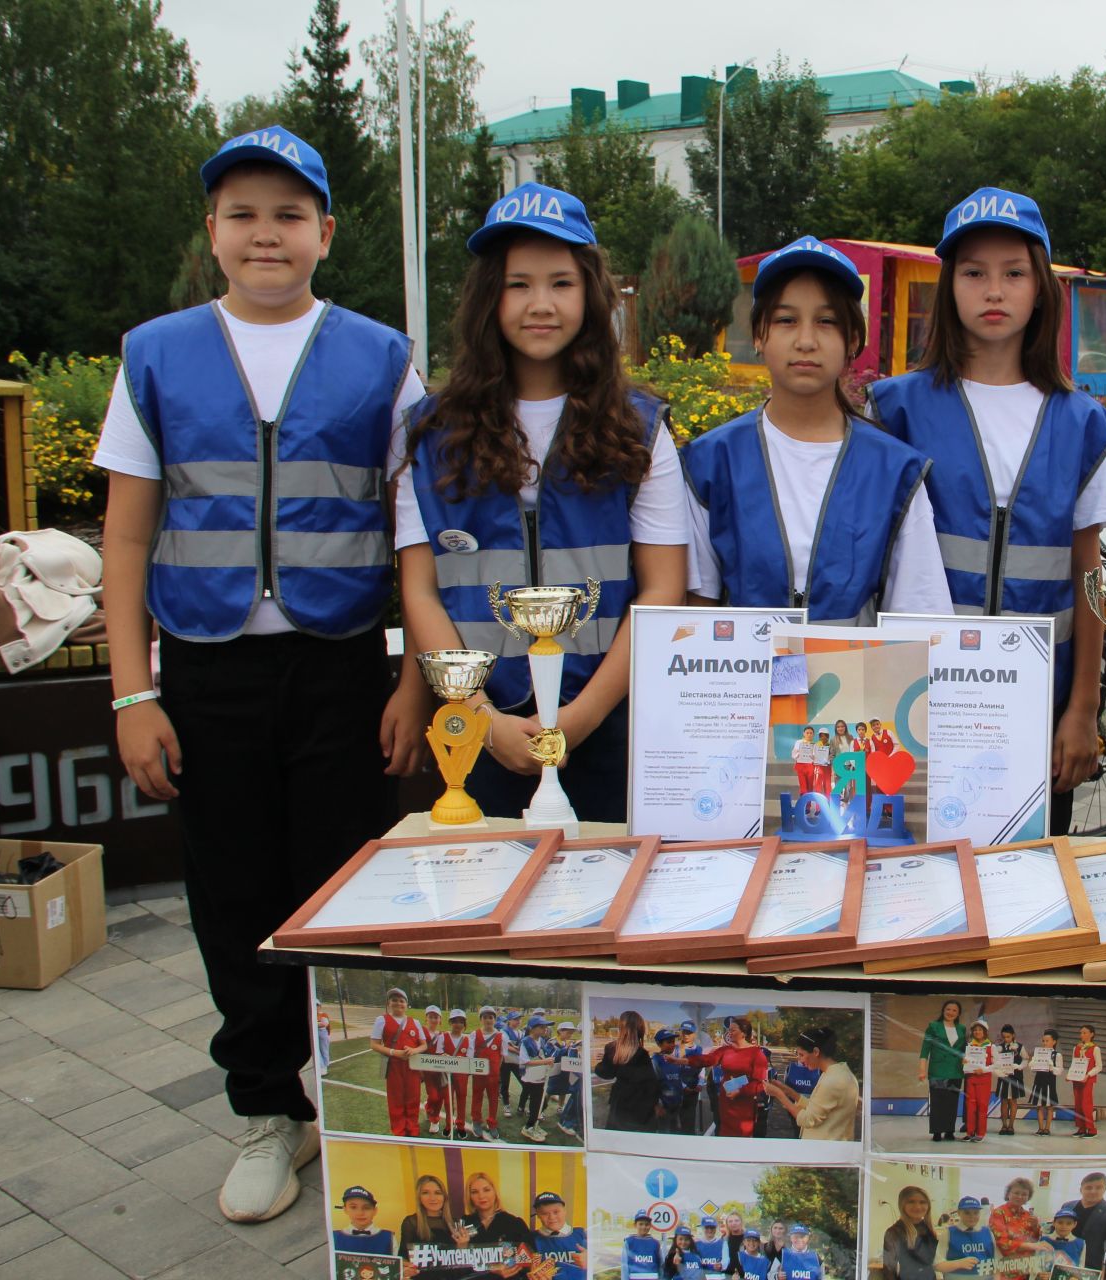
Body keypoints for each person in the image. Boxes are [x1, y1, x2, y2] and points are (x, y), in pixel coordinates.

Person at [98, 125, 427, 1223]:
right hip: (207, 668)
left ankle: (354, 1097)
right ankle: (262, 1108)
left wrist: (413, 683)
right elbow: (128, 541)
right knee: (232, 888)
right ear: (212, 231)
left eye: (289, 215)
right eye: (242, 214)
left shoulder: (382, 355)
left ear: (326, 233)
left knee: (342, 887)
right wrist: (132, 692)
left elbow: (414, 529)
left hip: (340, 666)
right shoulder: (154, 351)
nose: (266, 235)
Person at [397, 183, 689, 822]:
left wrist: (577, 720)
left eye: (561, 283)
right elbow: (420, 590)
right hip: (478, 728)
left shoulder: (638, 427)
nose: (540, 304)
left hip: (611, 722)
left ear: (590, 294)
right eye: (518, 284)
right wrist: (480, 716)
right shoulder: (431, 430)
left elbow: (663, 588)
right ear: (487, 299)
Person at [871, 187, 1106, 836]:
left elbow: (1090, 573)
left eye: (1014, 273)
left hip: (1037, 709)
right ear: (948, 285)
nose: (994, 290)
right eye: (974, 273)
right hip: (918, 701)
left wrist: (1084, 706)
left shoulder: (1081, 422)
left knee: (1027, 894)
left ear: (1041, 287)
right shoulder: (895, 409)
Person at [681, 235, 951, 623]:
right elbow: (695, 612)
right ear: (759, 335)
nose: (806, 341)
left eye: (826, 322)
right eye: (786, 320)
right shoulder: (710, 462)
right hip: (744, 682)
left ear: (853, 339)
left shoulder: (894, 471)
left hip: (859, 682)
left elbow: (921, 617)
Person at [763, 1027, 860, 1141]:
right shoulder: (836, 1073)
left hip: (824, 1152)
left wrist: (780, 1095)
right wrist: (789, 1091)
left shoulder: (833, 1081)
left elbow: (808, 1119)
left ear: (816, 1052)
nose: (800, 1060)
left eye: (801, 1055)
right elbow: (815, 1107)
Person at [693, 1016, 771, 1137]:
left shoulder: (757, 1054)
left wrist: (740, 1091)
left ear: (744, 1033)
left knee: (741, 1144)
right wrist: (684, 1060)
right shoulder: (725, 1050)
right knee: (724, 1138)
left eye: (733, 1030)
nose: (729, 1033)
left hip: (744, 1110)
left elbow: (760, 1083)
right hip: (726, 1107)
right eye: (728, 1030)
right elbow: (708, 1060)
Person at [370, 988, 429, 1138]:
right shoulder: (381, 1020)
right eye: (394, 1000)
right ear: (388, 1003)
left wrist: (413, 1051)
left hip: (412, 1067)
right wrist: (394, 1053)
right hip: (393, 1067)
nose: (398, 1003)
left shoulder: (414, 1022)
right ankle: (399, 1131)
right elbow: (374, 1044)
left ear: (407, 1004)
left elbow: (424, 1045)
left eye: (401, 1000)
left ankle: (412, 1129)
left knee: (413, 1098)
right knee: (395, 1099)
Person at [592, 1010, 662, 1131]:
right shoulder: (641, 1053)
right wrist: (656, 1104)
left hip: (620, 1103)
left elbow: (606, 1073)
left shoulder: (612, 1048)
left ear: (621, 1027)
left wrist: (602, 1062)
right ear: (640, 1030)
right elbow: (651, 1084)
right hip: (640, 1106)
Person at [451, 1171, 534, 1267]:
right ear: (469, 1196)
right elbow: (454, 1267)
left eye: (486, 1190)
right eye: (474, 1192)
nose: (481, 1196)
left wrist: (509, 1267)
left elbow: (529, 1262)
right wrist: (461, 1247)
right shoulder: (463, 1224)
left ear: (495, 1192)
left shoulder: (514, 1223)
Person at [918, 999, 967, 1142]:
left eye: (954, 1010)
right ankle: (937, 1131)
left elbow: (964, 1049)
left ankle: (950, 1130)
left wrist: (967, 1059)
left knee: (952, 1102)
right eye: (948, 1009)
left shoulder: (962, 1028)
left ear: (958, 1014)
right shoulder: (933, 1026)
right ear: (943, 1011)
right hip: (937, 1070)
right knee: (938, 1102)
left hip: (956, 1070)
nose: (951, 1012)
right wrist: (922, 1070)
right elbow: (925, 1049)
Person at [398, 1175, 457, 1276]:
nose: (432, 1198)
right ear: (419, 1197)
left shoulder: (456, 1223)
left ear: (444, 1197)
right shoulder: (411, 1223)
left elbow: (463, 1261)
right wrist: (405, 1268)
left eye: (438, 1193)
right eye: (425, 1193)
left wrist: (462, 1245)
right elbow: (403, 1257)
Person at [1069, 1172, 1106, 1280]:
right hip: (1064, 1264)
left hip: (1089, 1269)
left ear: (1105, 1189)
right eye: (1088, 1187)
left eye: (1098, 1187)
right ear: (1081, 1189)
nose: (1093, 1191)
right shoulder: (1068, 1206)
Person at [881, 1188, 939, 1280]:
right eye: (911, 1202)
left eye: (922, 1202)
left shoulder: (929, 1230)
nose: (918, 1207)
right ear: (902, 1204)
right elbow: (889, 1270)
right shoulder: (894, 1232)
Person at [516, 1014, 556, 1142]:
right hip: (530, 1078)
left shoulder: (542, 1040)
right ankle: (528, 1127)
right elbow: (525, 1061)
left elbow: (543, 1056)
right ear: (532, 1028)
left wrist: (548, 1060)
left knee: (541, 1104)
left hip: (540, 1076)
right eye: (542, 1027)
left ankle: (533, 1125)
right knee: (537, 1104)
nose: (545, 1029)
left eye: (545, 1027)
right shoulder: (525, 1042)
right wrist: (545, 1062)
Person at [532, 1191, 587, 1280]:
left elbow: (610, 1264)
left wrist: (592, 1263)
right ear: (538, 1215)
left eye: (556, 1212)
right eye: (545, 1213)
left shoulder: (582, 1234)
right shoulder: (530, 1239)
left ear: (564, 1211)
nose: (552, 1217)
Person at [435, 1008, 472, 1141]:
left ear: (464, 1024)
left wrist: (464, 1060)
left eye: (461, 1022)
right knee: (448, 1100)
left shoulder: (468, 1039)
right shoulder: (443, 1036)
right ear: (450, 1022)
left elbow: (470, 1058)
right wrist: (443, 1055)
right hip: (446, 1073)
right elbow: (439, 1053)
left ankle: (460, 1125)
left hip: (461, 1075)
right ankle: (449, 1125)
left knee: (461, 1099)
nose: (458, 1024)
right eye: (455, 1021)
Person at [988, 1177, 1046, 1260]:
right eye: (1016, 1193)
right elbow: (1002, 1243)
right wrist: (1028, 1245)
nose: (1020, 1196)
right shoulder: (998, 1213)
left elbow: (1035, 1241)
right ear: (1008, 1194)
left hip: (1028, 1265)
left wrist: (1035, 1227)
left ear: (1028, 1198)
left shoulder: (1028, 1215)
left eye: (1024, 1194)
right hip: (1008, 1265)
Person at [471, 1005, 506, 1142]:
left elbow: (502, 1057)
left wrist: (495, 1069)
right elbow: (471, 1054)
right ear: (481, 1019)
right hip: (478, 1074)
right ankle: (476, 1120)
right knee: (477, 1097)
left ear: (495, 1019)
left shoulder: (501, 1036)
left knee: (493, 1099)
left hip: (493, 1075)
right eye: (485, 1017)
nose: (488, 1020)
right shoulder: (475, 1034)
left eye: (491, 1017)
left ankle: (492, 1123)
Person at [333, 1185, 395, 1256]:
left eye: (366, 1207)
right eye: (353, 1207)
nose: (360, 1213)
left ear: (375, 1211)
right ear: (345, 1209)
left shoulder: (389, 1237)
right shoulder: (334, 1237)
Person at [961, 1018, 996, 1142]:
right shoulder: (970, 1046)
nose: (977, 1032)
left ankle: (980, 1133)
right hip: (971, 1079)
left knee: (982, 1106)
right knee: (970, 1106)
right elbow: (966, 1063)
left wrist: (984, 1070)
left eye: (980, 1029)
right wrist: (964, 1062)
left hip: (984, 1080)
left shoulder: (992, 1047)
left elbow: (996, 1065)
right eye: (975, 1030)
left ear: (985, 1032)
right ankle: (970, 1132)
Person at [942, 1197, 996, 1273]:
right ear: (959, 1213)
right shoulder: (949, 1233)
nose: (972, 1216)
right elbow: (937, 1263)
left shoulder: (987, 1233)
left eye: (976, 1212)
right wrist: (958, 1264)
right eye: (967, 1212)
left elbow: (996, 1260)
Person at [1068, 1024, 1102, 1138]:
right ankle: (1081, 1128)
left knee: (1086, 1104)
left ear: (1092, 1034)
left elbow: (1099, 1066)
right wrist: (1070, 1075)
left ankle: (1091, 1130)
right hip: (1077, 1079)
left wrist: (1088, 1075)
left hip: (1087, 1079)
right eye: (1081, 1033)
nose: (1082, 1035)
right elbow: (1074, 1063)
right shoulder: (1076, 1048)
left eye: (1085, 1033)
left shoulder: (1095, 1048)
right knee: (1078, 1104)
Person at [1027, 1028, 1063, 1136]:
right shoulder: (1038, 1053)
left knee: (1049, 1106)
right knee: (1039, 1106)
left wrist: (1051, 1067)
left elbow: (1060, 1071)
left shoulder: (1057, 1055)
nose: (1045, 1043)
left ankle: (1047, 1128)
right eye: (1043, 1041)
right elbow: (1031, 1068)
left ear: (1054, 1041)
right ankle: (1040, 1128)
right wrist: (1033, 1062)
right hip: (1038, 1081)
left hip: (1050, 1082)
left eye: (1047, 1041)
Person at [419, 1005, 447, 1135]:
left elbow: (441, 1052)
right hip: (427, 1071)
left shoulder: (442, 1035)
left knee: (440, 1096)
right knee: (434, 1096)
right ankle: (430, 1111)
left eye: (436, 1017)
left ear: (440, 1019)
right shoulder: (421, 1032)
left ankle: (434, 1119)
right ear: (426, 1018)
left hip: (440, 1071)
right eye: (430, 1017)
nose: (433, 1019)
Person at [993, 1024, 1026, 1137]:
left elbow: (1026, 1059)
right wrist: (999, 1070)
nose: (1006, 1039)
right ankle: (1004, 1125)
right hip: (1004, 1077)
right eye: (1004, 1037)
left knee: (1013, 1101)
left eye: (1008, 1036)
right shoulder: (999, 1048)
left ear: (1013, 1035)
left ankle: (1011, 1125)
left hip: (1015, 1077)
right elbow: (995, 1062)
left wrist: (1019, 1066)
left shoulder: (1020, 1047)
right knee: (1004, 1101)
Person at [623, 1211, 663, 1280]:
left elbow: (661, 1266)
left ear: (650, 1226)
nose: (644, 1227)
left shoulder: (655, 1243)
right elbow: (624, 1266)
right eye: (640, 1224)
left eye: (646, 1224)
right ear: (635, 1225)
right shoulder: (629, 1242)